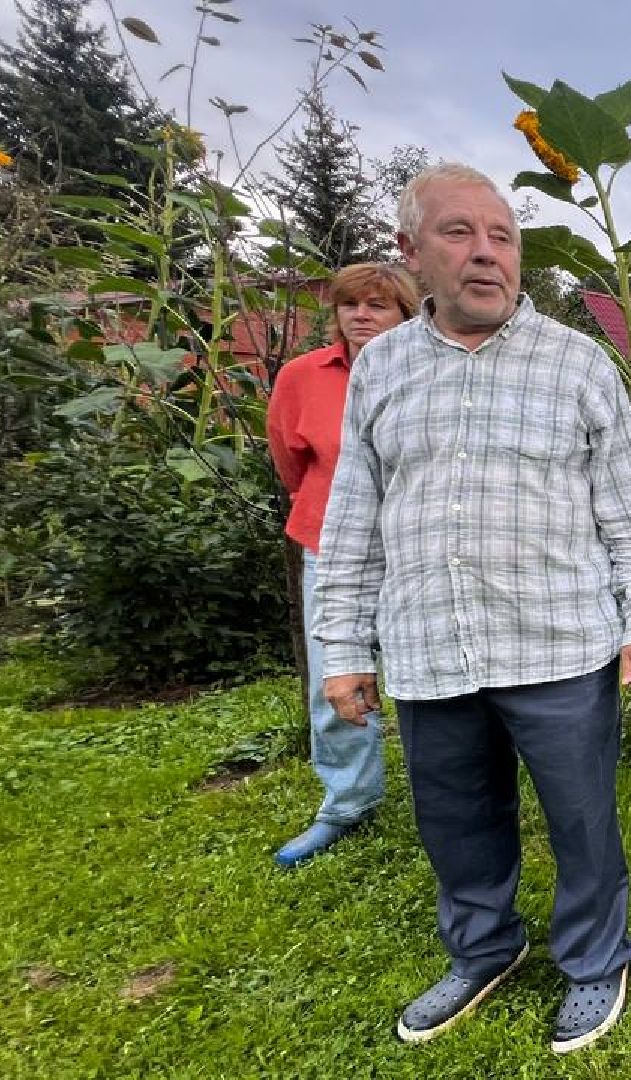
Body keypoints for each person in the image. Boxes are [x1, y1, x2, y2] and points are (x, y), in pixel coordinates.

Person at [314, 163, 631, 1055]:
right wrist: (342, 648)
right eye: (459, 233)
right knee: (456, 821)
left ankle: (594, 960)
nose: (486, 254)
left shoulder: (577, 364)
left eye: (502, 237)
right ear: (411, 252)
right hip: (429, 644)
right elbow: (353, 515)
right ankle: (483, 949)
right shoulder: (381, 368)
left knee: (582, 819)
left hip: (558, 642)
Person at [265, 261, 419, 868]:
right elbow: (290, 459)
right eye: (350, 305)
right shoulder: (303, 377)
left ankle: (455, 791)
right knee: (337, 675)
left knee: (433, 672)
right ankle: (348, 801)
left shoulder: (426, 372)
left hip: (415, 546)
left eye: (377, 305)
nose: (361, 316)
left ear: (405, 314)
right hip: (333, 547)